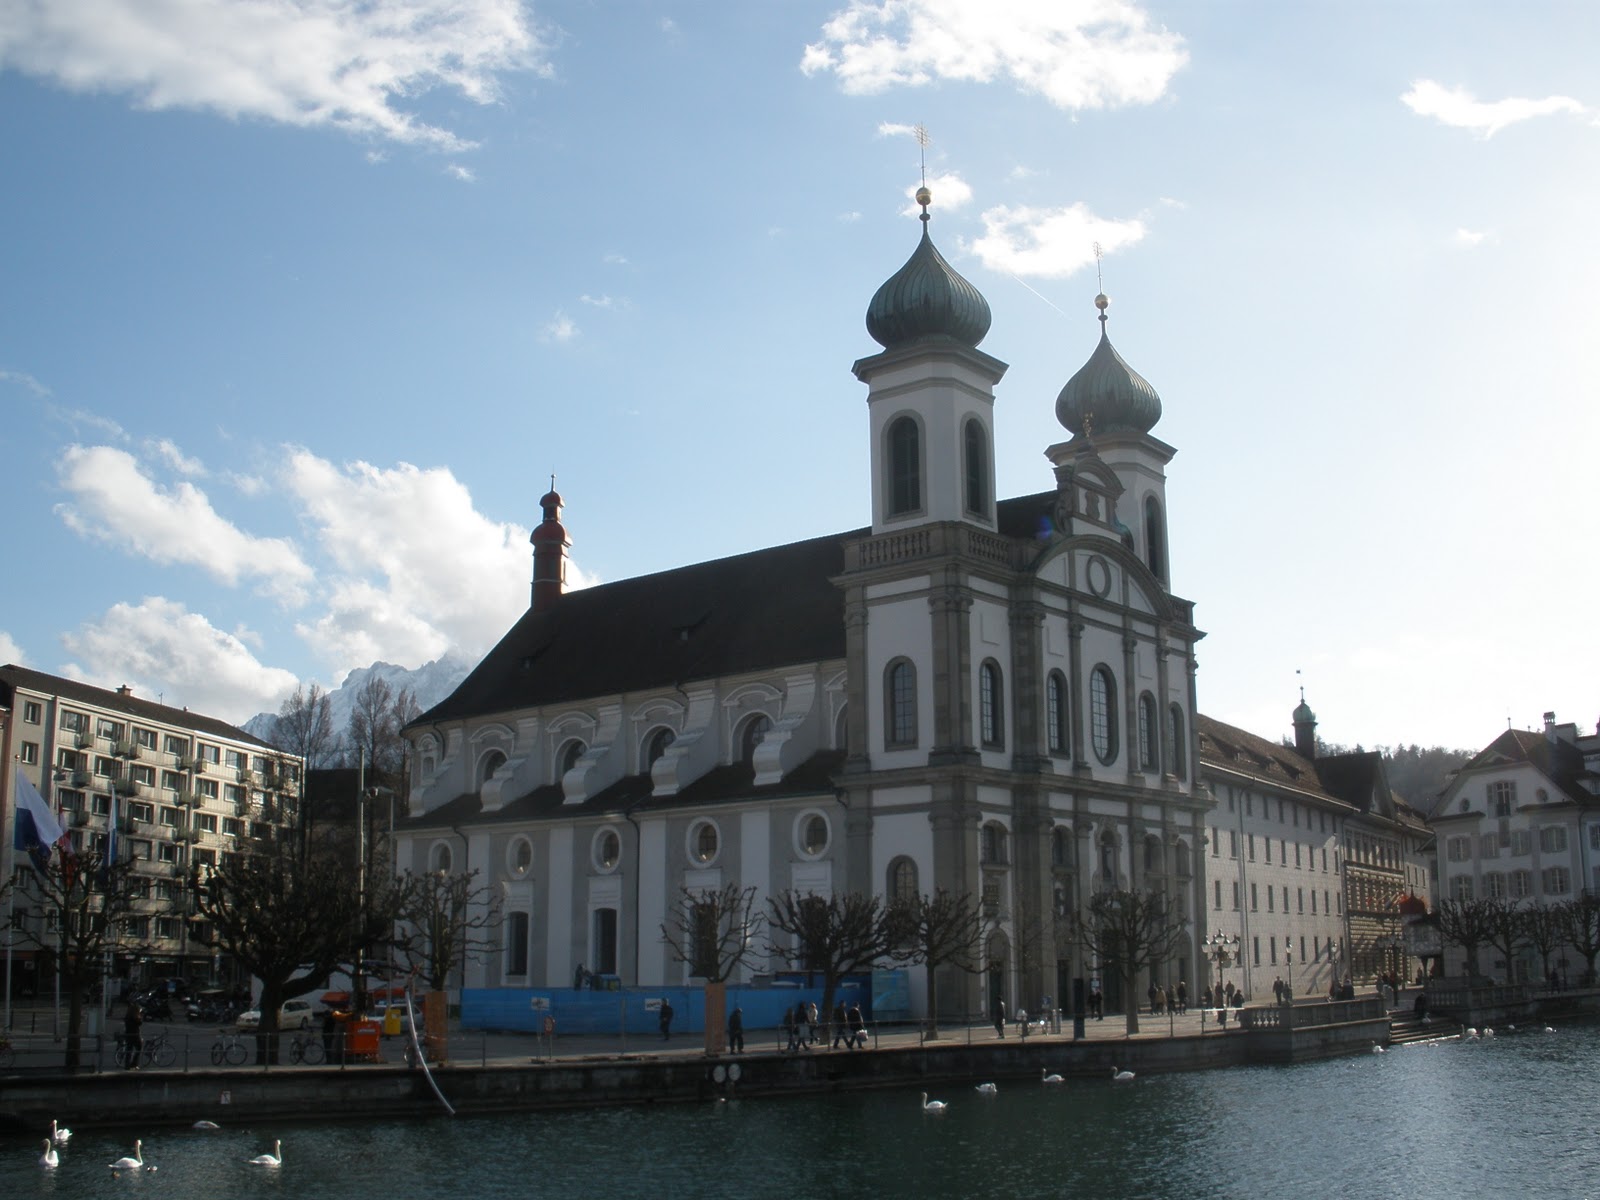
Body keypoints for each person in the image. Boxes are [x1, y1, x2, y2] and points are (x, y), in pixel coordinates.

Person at [122, 1002, 143, 1070]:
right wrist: (139, 1015)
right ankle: (134, 1063)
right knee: (139, 1048)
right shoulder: (135, 1017)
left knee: (129, 1049)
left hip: (128, 1034)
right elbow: (140, 1023)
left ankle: (127, 1065)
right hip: (135, 1034)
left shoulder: (128, 1016)